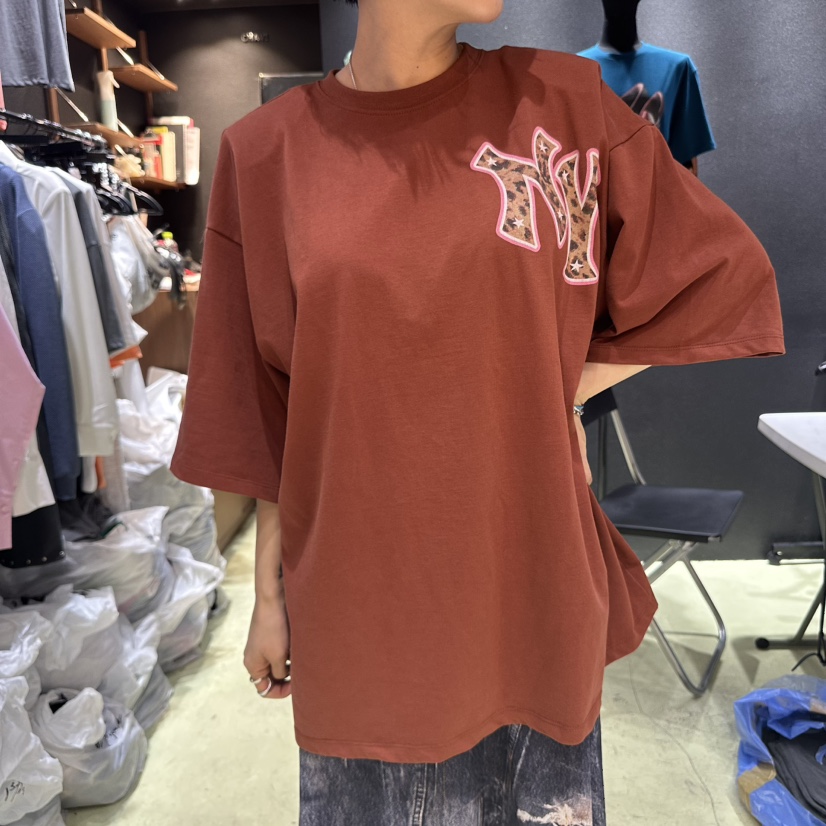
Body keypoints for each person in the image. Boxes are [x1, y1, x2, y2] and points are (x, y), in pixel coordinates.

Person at [169, 0, 785, 822]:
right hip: (364, 606)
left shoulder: (564, 106)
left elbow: (720, 277)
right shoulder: (266, 153)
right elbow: (265, 412)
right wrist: (270, 601)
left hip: (528, 583)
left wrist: (552, 387)